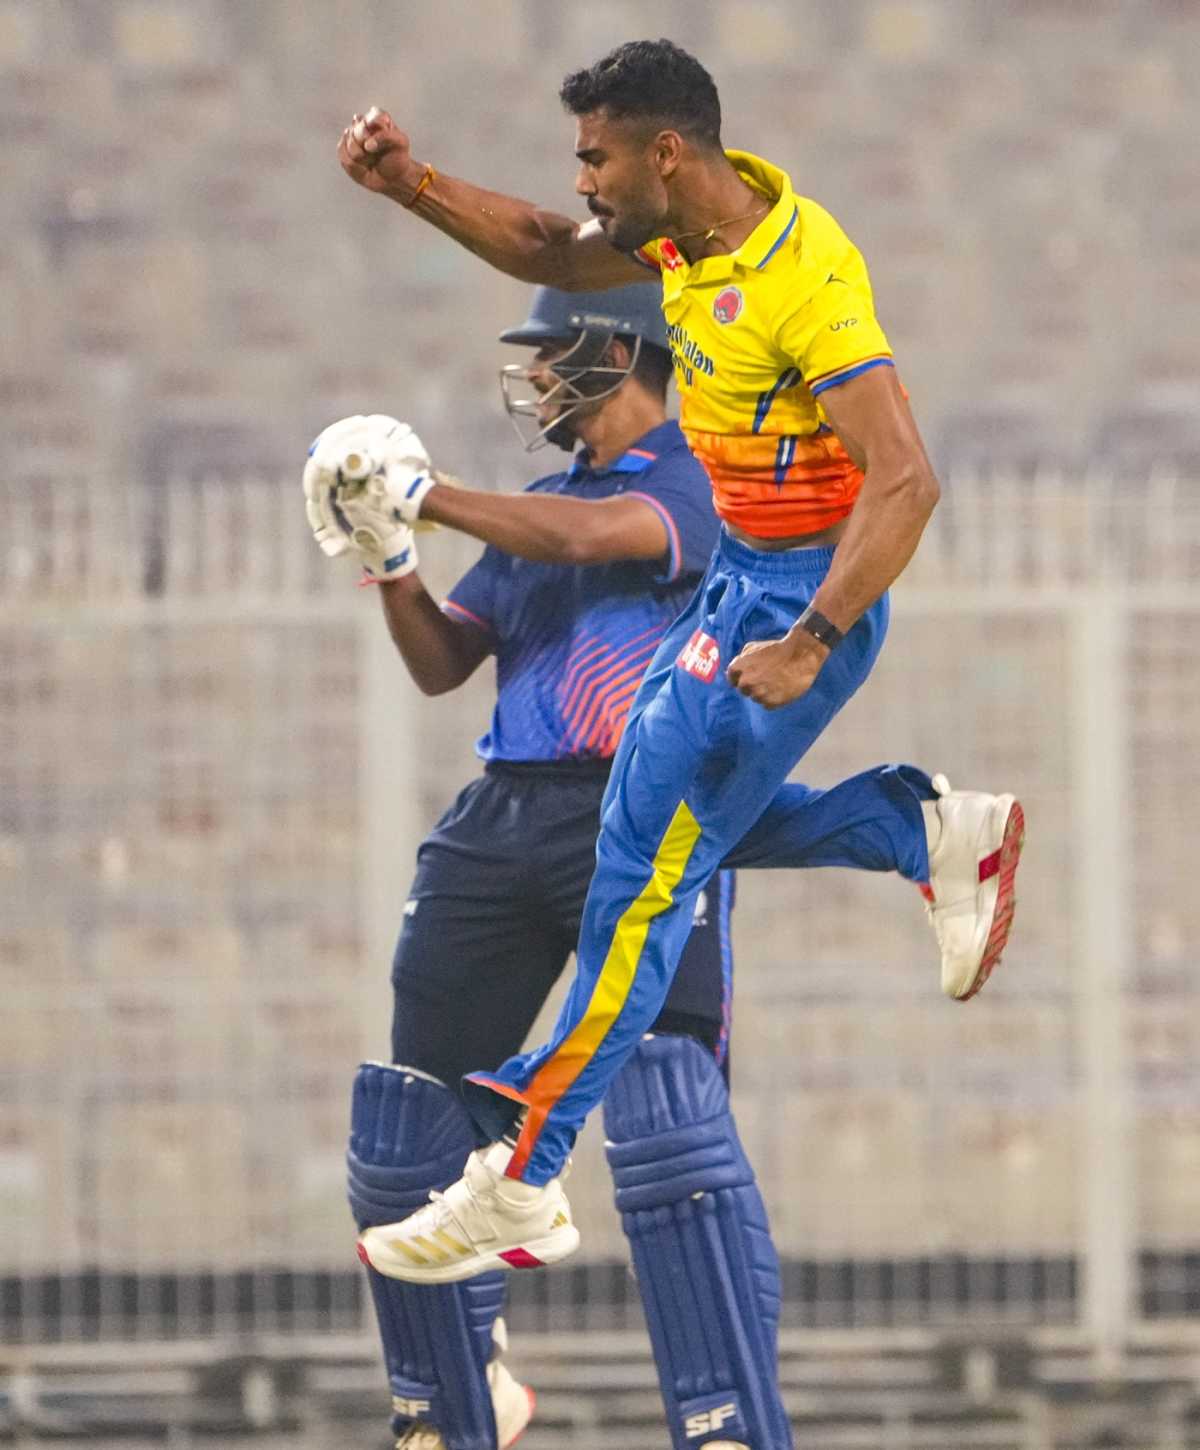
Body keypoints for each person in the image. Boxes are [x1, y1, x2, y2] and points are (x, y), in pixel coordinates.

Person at [340, 32, 1025, 1410]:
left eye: (596, 154)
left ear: (665, 152)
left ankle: (524, 1172)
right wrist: (412, 184)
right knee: (656, 845)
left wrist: (813, 637)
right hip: (739, 589)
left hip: (795, 598)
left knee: (642, 883)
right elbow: (543, 243)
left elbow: (908, 483)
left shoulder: (806, 277)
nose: (581, 179)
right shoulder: (677, 246)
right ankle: (926, 825)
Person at [306, 283, 804, 1449]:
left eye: (552, 355)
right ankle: (454, 1393)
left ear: (620, 352)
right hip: (502, 815)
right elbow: (446, 662)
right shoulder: (534, 507)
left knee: (666, 1109)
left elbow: (592, 540)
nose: (534, 378)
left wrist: (427, 499)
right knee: (411, 1122)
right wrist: (390, 560)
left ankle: (727, 1417)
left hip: (639, 813)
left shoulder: (697, 475)